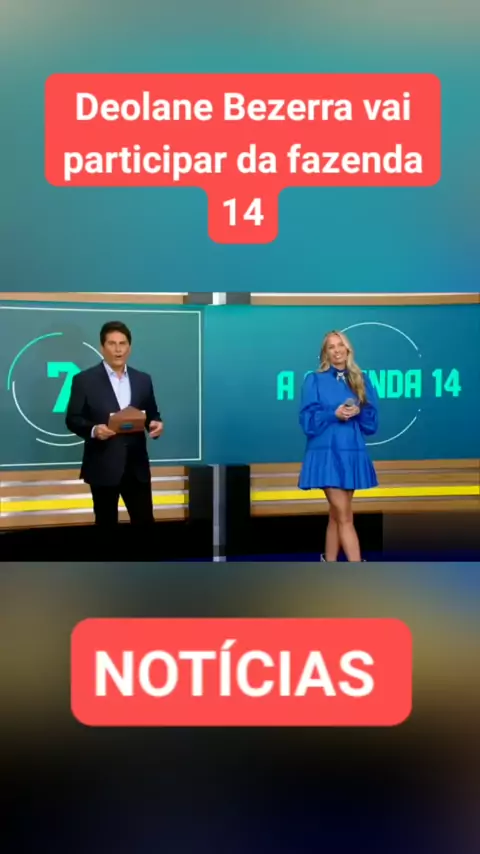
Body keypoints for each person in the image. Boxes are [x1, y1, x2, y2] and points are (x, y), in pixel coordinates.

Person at [65, 320, 163, 526]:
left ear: (129, 347)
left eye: (122, 343)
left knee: (145, 524)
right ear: (102, 347)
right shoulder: (84, 380)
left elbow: (152, 413)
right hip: (103, 466)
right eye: (112, 343)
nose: (118, 349)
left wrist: (155, 424)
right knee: (106, 527)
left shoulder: (143, 380)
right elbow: (73, 419)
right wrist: (94, 430)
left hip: (136, 468)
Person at [298, 330, 379, 562]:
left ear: (348, 349)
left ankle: (329, 565)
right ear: (325, 353)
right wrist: (333, 414)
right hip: (325, 455)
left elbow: (371, 424)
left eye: (340, 345)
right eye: (331, 347)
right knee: (345, 517)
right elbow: (307, 421)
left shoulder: (361, 379)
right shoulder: (314, 380)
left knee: (336, 516)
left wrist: (358, 411)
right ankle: (358, 570)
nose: (337, 351)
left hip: (350, 453)